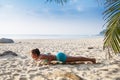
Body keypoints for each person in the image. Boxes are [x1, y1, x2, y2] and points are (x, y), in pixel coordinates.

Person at [31, 48, 96, 65]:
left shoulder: (41, 57)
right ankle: (91, 59)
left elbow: (49, 58)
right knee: (76, 58)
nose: (31, 55)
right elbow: (48, 54)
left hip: (60, 58)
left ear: (35, 54)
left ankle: (92, 59)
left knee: (77, 58)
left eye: (32, 54)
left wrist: (49, 63)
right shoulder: (40, 56)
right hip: (58, 55)